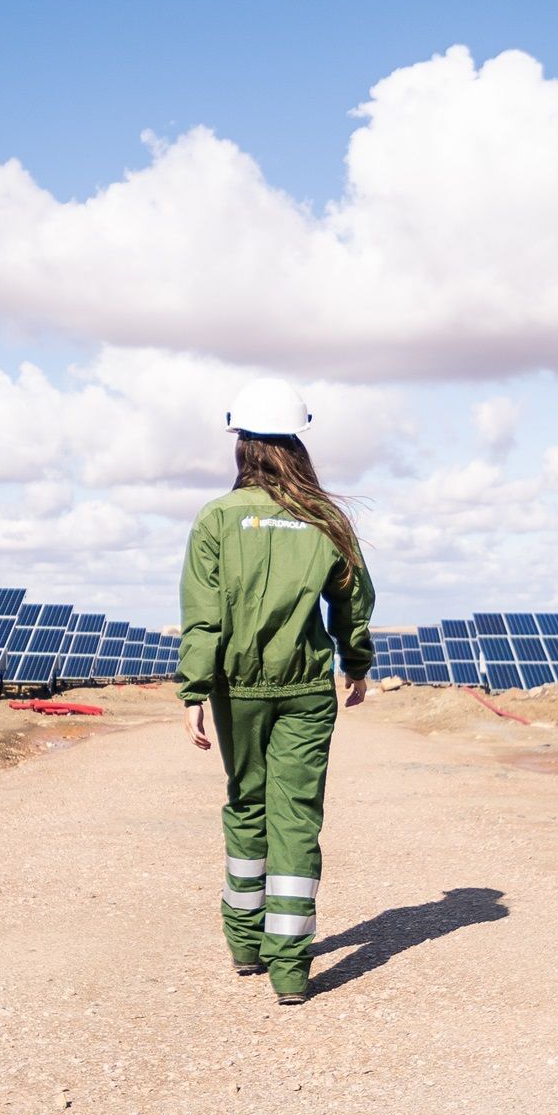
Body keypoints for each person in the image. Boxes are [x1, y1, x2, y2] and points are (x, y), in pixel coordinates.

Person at [177, 380, 375, 1005]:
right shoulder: (326, 519)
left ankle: (244, 943)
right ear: (296, 443)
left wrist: (194, 692)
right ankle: (291, 969)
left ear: (242, 445)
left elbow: (203, 615)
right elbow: (352, 600)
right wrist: (357, 662)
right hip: (307, 688)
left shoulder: (216, 518)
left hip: (239, 689)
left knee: (248, 803)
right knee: (298, 816)